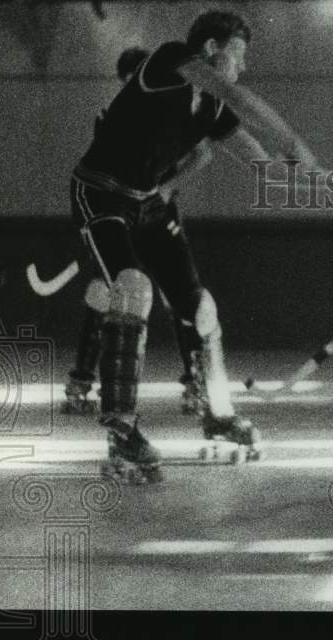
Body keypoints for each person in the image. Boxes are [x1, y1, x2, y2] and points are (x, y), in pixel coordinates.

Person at [71, 11, 320, 481]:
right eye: (239, 54)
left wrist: (308, 180)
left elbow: (258, 162)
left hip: (149, 202)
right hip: (101, 191)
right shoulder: (168, 61)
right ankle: (122, 429)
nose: (242, 67)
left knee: (200, 308)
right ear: (211, 49)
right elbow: (239, 97)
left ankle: (218, 414)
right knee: (132, 287)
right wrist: (295, 142)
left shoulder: (208, 108)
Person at [63, 47, 210, 417]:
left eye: (137, 79)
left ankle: (198, 383)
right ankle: (83, 380)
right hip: (118, 211)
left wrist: (165, 187)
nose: (133, 88)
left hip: (156, 211)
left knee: (180, 298)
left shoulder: (175, 110)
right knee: (109, 291)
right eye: (127, 83)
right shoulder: (113, 115)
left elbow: (202, 153)